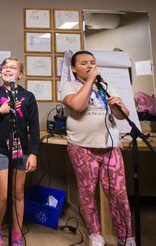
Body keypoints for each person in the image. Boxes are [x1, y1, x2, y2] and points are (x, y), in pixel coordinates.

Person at [61, 51, 135, 246]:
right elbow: (77, 105)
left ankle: (126, 236)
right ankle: (95, 234)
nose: (89, 66)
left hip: (110, 147)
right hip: (82, 147)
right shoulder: (69, 86)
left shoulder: (105, 86)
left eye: (92, 63)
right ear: (74, 68)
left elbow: (122, 115)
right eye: (84, 63)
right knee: (87, 192)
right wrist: (90, 82)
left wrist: (119, 106)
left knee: (118, 192)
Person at [0, 57, 40, 246]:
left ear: (19, 74)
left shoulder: (28, 97)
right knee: (4, 194)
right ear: (1, 72)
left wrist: (33, 153)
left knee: (18, 193)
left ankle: (16, 235)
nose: (8, 69)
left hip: (20, 149)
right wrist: (2, 110)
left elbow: (35, 128)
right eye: (5, 66)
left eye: (13, 67)